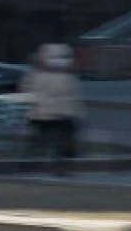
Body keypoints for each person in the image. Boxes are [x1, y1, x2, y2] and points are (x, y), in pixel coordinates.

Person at [17, 43, 83, 175]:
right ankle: (29, 166)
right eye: (58, 57)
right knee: (40, 141)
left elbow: (73, 97)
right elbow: (27, 92)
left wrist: (78, 113)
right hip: (43, 115)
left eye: (64, 57)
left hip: (63, 115)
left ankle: (59, 167)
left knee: (61, 143)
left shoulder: (68, 76)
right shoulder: (36, 75)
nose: (62, 61)